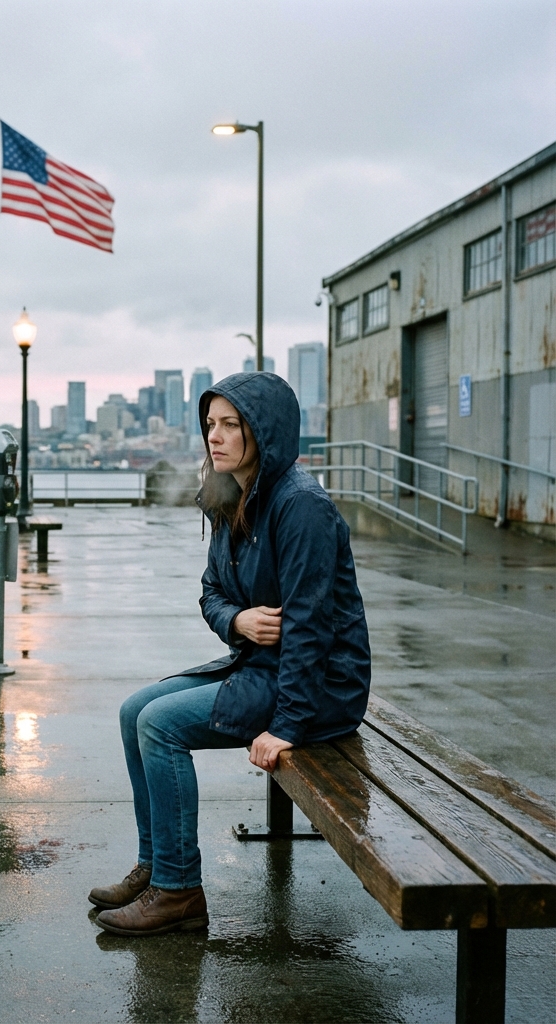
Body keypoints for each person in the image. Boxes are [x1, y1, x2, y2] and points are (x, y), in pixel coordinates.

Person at [90, 371, 371, 937]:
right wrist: (238, 620)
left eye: (229, 425)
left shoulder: (302, 507)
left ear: (262, 432)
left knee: (160, 725)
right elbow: (211, 592)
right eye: (209, 425)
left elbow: (313, 629)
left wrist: (288, 726)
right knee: (132, 712)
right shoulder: (228, 495)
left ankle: (179, 892)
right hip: (263, 666)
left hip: (320, 687)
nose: (214, 437)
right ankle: (156, 865)